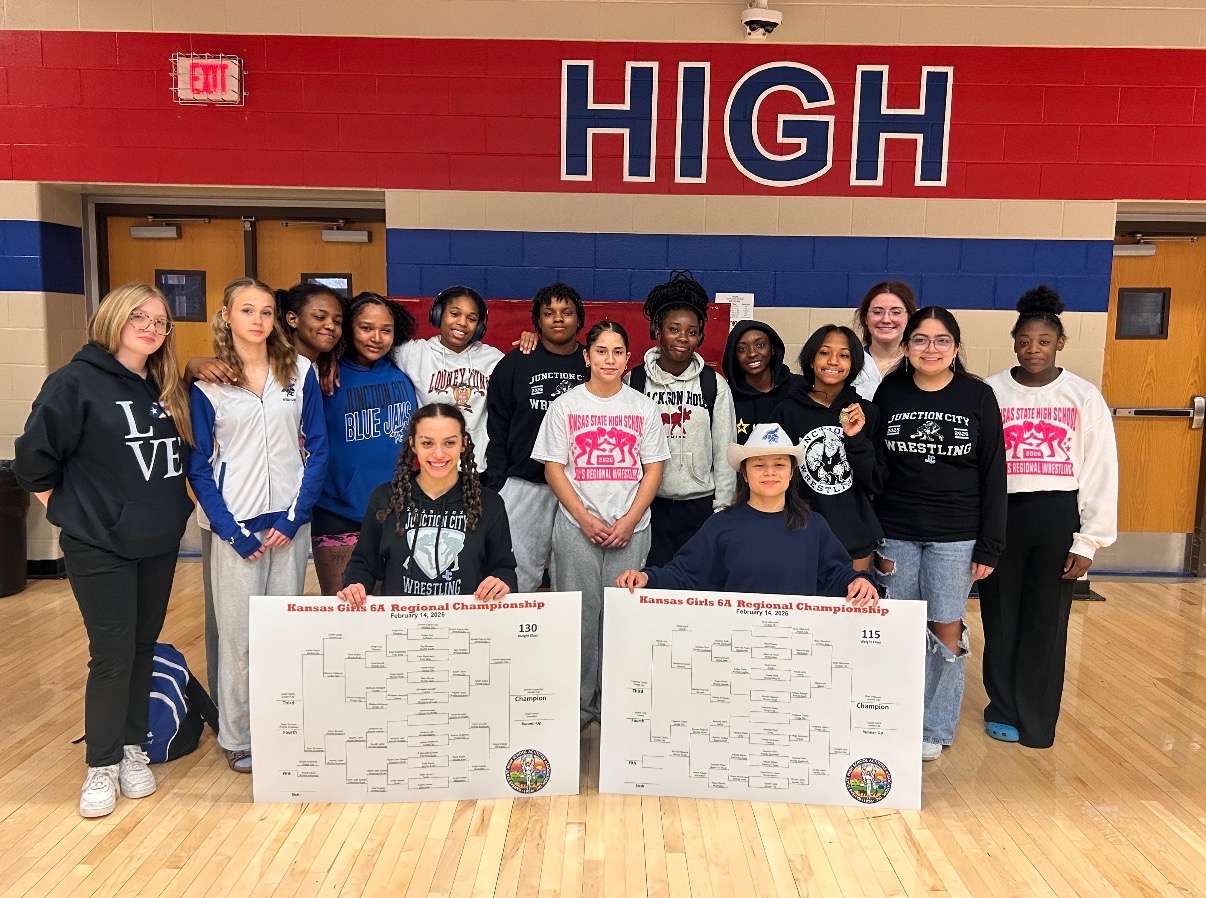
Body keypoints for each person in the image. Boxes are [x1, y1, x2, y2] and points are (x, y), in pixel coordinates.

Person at [15, 283, 194, 818]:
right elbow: (32, 463)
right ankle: (102, 762)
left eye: (160, 321)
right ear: (113, 318)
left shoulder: (164, 385)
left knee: (142, 647)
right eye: (139, 316)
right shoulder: (73, 383)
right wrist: (71, 512)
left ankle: (134, 747)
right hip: (100, 546)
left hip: (157, 542)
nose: (150, 328)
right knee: (112, 653)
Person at [187, 277, 328, 774]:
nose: (257, 320)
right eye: (247, 310)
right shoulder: (208, 383)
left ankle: (281, 726)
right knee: (239, 639)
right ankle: (237, 735)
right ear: (226, 316)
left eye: (266, 311)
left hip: (288, 525)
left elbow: (318, 448)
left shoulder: (300, 371)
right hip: (236, 529)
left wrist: (296, 516)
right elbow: (199, 466)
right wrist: (231, 530)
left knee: (282, 633)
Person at [981, 286, 1118, 749]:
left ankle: (1038, 716)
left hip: (1058, 516)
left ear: (1060, 342)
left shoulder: (1082, 395)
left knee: (1047, 621)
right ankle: (1003, 708)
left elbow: (1100, 468)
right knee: (1001, 616)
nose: (1033, 349)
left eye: (1043, 341)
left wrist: (1089, 540)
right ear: (1013, 343)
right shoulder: (991, 392)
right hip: (1003, 515)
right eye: (1024, 341)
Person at [873, 306, 1007, 762]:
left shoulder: (978, 395)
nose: (930, 348)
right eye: (921, 339)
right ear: (907, 346)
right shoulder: (890, 391)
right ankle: (894, 718)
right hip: (896, 531)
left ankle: (934, 725)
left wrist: (990, 544)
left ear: (956, 347)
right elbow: (877, 463)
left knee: (945, 626)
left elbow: (994, 472)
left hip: (956, 535)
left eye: (941, 340)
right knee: (898, 626)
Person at [531, 321, 670, 727]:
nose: (609, 359)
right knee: (579, 617)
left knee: (621, 618)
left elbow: (654, 468)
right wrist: (583, 517)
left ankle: (616, 705)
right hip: (578, 528)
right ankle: (578, 706)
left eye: (618, 351)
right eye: (601, 351)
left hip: (630, 529)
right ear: (587, 356)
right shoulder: (565, 406)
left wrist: (629, 520)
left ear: (628, 359)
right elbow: (553, 468)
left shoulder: (642, 407)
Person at [616, 423, 878, 605]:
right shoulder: (722, 524)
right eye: (759, 465)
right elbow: (686, 574)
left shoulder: (813, 526)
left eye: (779, 464)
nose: (770, 472)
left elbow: (837, 575)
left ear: (791, 473)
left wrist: (859, 580)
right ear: (744, 473)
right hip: (737, 647)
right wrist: (648, 577)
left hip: (797, 648)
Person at [337, 403, 517, 603]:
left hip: (465, 619)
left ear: (463, 443)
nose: (438, 454)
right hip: (401, 619)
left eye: (449, 443)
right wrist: (356, 585)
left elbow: (504, 569)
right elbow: (363, 563)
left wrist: (501, 583)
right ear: (413, 444)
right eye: (427, 443)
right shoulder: (386, 498)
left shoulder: (489, 503)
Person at [484, 283, 589, 591]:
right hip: (525, 483)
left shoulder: (592, 362)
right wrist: (498, 481)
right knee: (518, 572)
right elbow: (497, 425)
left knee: (572, 573)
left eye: (567, 312)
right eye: (549, 313)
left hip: (579, 485)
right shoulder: (515, 363)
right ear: (538, 320)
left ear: (579, 319)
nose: (558, 319)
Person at [313, 292, 419, 595]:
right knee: (346, 609)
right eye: (366, 328)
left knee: (391, 613)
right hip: (338, 512)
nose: (376, 338)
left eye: (386, 330)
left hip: (395, 510)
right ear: (349, 328)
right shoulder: (323, 375)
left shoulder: (405, 371)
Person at [628, 271, 736, 565]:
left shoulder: (714, 385)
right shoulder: (634, 382)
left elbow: (725, 452)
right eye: (674, 329)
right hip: (648, 505)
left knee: (696, 583)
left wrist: (723, 509)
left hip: (699, 506)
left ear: (700, 336)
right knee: (651, 581)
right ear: (657, 331)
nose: (682, 338)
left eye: (692, 331)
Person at [774, 326, 885, 570]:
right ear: (811, 360)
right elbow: (777, 477)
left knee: (854, 594)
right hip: (799, 533)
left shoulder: (866, 412)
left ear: (853, 364)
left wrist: (855, 438)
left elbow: (875, 482)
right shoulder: (787, 411)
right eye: (824, 353)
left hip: (855, 536)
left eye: (844, 355)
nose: (833, 361)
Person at [394, 285, 502, 469]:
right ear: (438, 315)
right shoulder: (414, 353)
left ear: (479, 327)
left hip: (475, 467)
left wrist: (533, 339)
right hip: (432, 464)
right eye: (454, 314)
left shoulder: (493, 358)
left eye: (472, 318)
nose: (462, 322)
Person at [722, 320, 804, 444]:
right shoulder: (726, 396)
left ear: (772, 349)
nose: (752, 353)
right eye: (741, 349)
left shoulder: (799, 387)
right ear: (734, 356)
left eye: (760, 345)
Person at [851, 281, 917, 401]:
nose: (886, 319)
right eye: (877, 312)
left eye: (896, 312)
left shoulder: (920, 364)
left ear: (910, 318)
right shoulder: (848, 362)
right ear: (865, 318)